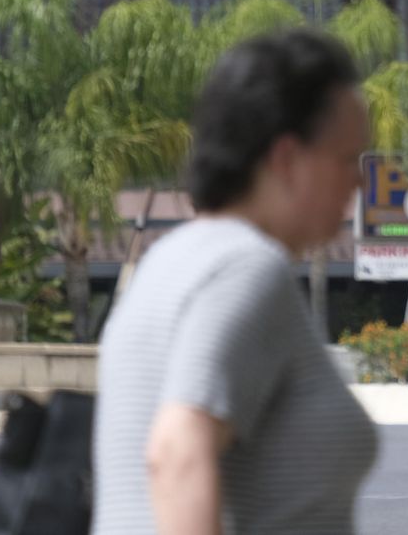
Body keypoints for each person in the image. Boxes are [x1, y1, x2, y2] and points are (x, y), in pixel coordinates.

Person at [94, 28, 377, 534]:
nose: (360, 181)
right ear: (287, 159)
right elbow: (177, 452)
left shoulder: (169, 260)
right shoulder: (246, 268)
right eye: (347, 159)